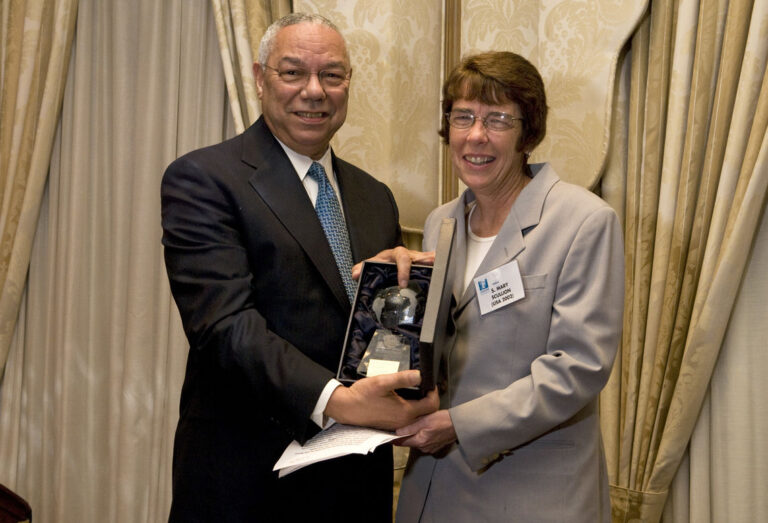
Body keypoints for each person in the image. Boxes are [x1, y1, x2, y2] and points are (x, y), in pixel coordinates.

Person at [160, 13, 437, 522]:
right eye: (293, 73)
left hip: (356, 481)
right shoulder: (204, 179)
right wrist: (337, 401)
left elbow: (376, 340)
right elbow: (225, 326)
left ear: (348, 83)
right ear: (260, 78)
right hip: (248, 480)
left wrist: (407, 294)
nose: (315, 91)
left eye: (332, 75)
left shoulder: (375, 198)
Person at [388, 52, 624, 521]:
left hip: (531, 491)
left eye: (498, 118)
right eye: (464, 117)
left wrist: (458, 425)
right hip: (433, 488)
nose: (476, 136)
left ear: (527, 133)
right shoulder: (440, 224)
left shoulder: (584, 221)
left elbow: (576, 367)